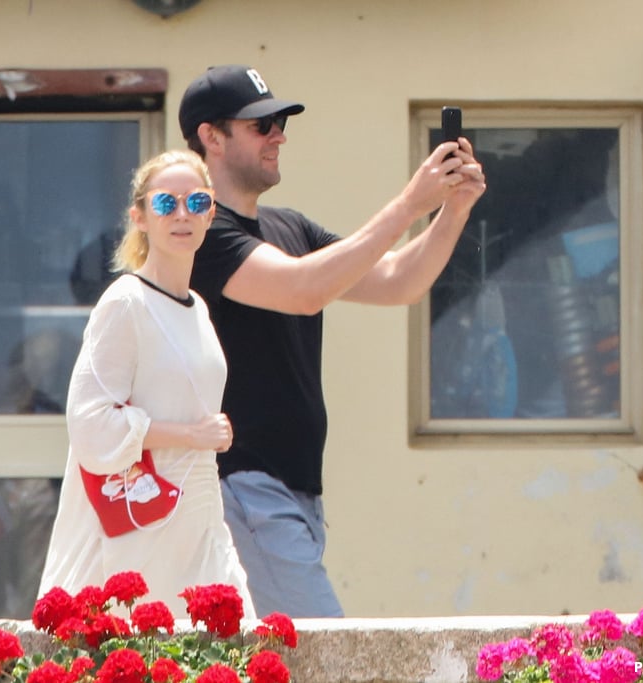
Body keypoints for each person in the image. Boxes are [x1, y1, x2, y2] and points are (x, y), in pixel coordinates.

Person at [179, 65, 487, 617]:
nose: (279, 134)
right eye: (261, 124)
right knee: (327, 652)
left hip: (293, 494)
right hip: (245, 487)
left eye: (279, 122)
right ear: (211, 137)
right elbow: (304, 290)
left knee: (284, 660)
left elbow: (398, 282)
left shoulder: (290, 226)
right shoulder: (202, 234)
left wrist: (452, 210)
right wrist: (411, 204)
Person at [38, 149, 254, 618]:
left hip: (199, 516)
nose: (182, 215)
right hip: (138, 524)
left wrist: (205, 434)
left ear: (211, 212)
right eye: (165, 204)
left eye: (196, 203)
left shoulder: (198, 309)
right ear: (139, 216)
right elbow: (91, 425)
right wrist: (192, 434)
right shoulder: (126, 302)